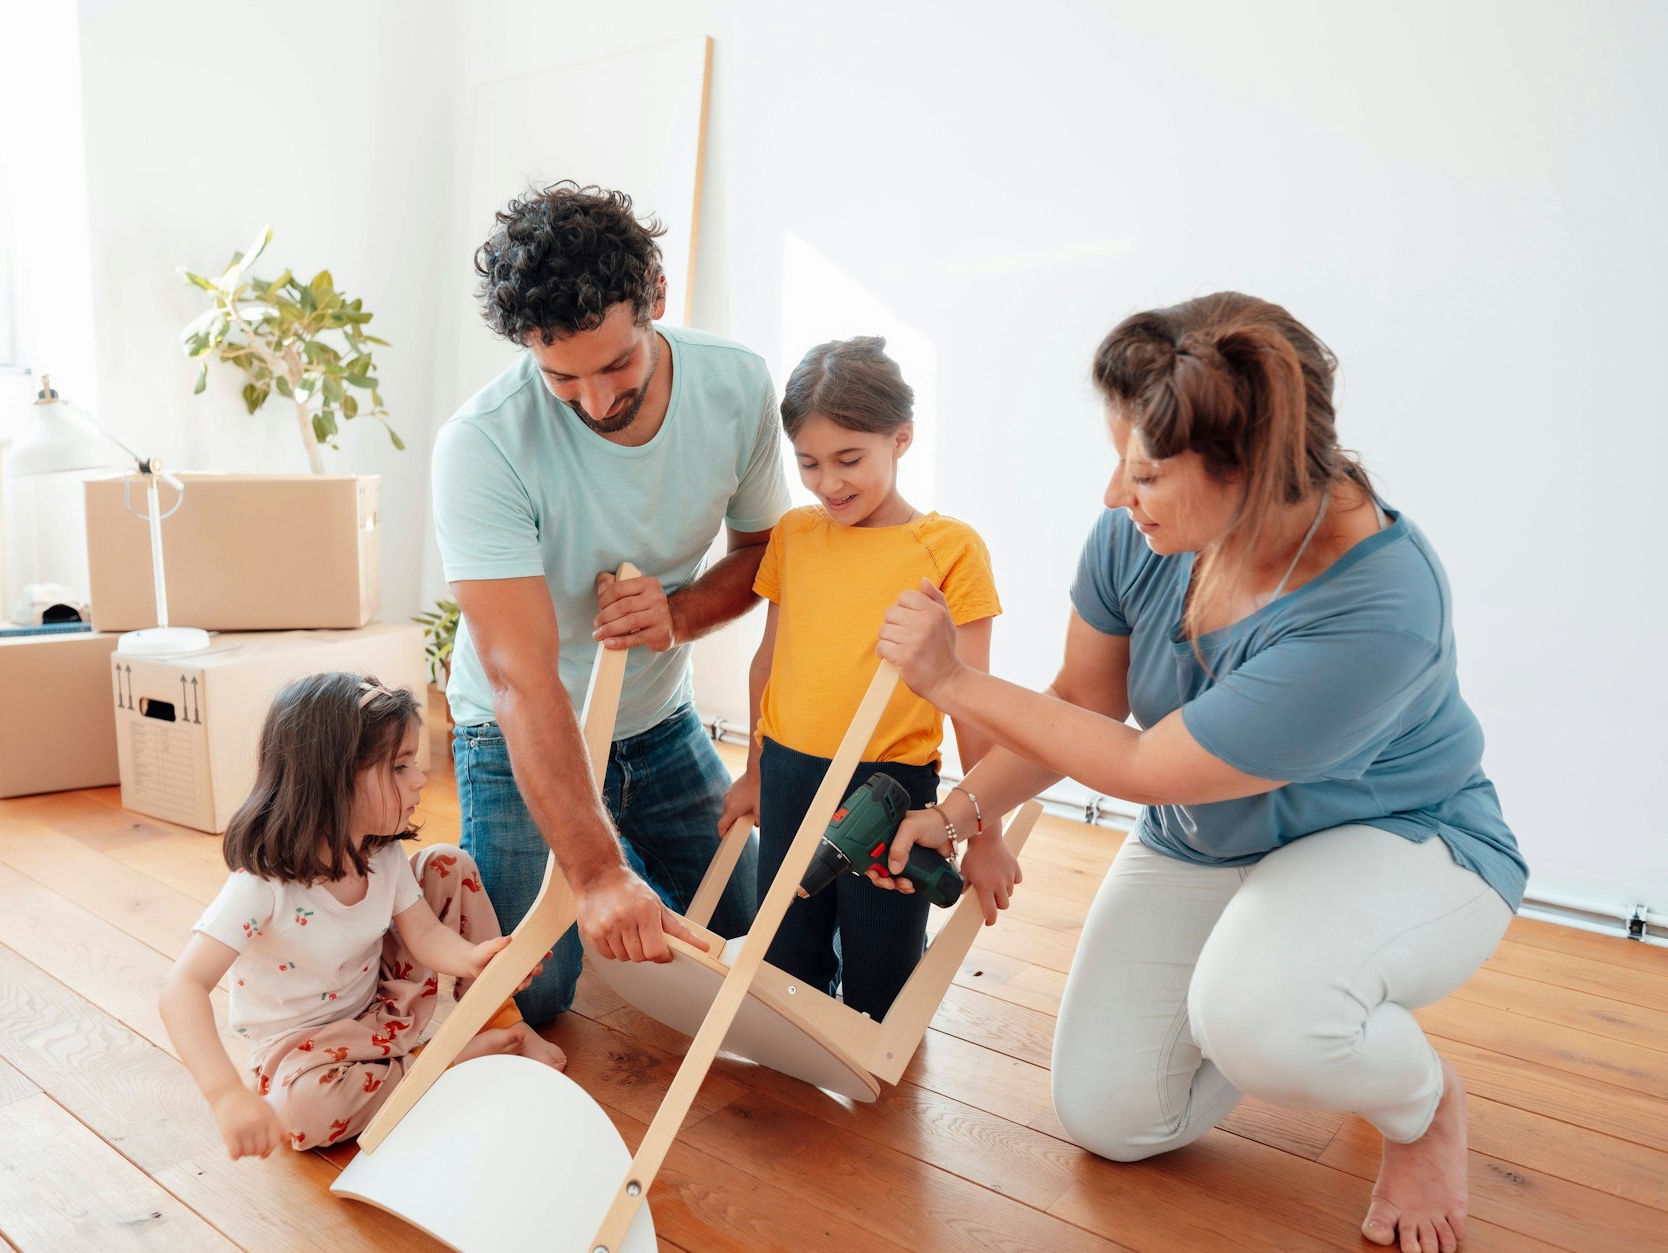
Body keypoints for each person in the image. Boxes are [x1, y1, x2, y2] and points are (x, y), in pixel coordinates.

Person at [874, 292, 1524, 1253]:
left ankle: (1418, 1103)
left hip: (1394, 834)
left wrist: (955, 680)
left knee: (1263, 1013)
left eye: (1141, 472)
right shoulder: (1143, 534)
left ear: (1250, 472)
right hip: (1213, 835)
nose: (1111, 495)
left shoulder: (1379, 605)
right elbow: (1088, 703)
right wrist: (964, 809)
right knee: (1111, 1115)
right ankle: (1313, 1007)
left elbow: (1142, 765)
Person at [430, 182, 793, 1023]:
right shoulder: (482, 444)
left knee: (764, 949)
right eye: (562, 377)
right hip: (515, 727)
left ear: (655, 297)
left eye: (616, 365)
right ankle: (443, 897)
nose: (596, 402)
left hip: (658, 722)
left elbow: (768, 552)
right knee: (539, 994)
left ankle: (609, 846)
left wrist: (680, 614)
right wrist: (593, 876)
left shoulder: (735, 385)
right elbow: (522, 680)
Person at [717, 336, 1016, 1020]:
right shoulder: (795, 535)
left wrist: (987, 833)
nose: (829, 483)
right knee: (783, 975)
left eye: (850, 459)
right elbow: (769, 659)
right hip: (791, 773)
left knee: (881, 991)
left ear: (900, 439)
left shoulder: (951, 549)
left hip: (891, 788)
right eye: (810, 463)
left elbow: (979, 705)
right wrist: (756, 769)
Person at [159, 672, 560, 1160]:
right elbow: (181, 988)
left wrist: (477, 958)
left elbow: (426, 934)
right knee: (301, 1115)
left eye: (413, 763)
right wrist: (226, 1095)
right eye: (398, 766)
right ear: (329, 779)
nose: (420, 778)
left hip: (384, 1010)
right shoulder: (261, 886)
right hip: (304, 1053)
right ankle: (441, 1064)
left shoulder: (382, 854)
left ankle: (496, 1022)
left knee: (447, 864)